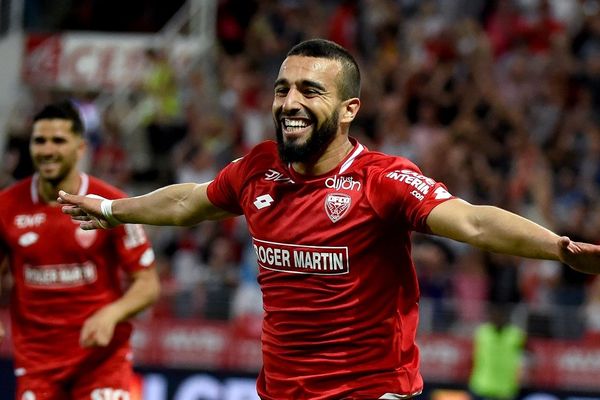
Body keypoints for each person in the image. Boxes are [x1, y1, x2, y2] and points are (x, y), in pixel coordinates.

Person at [58, 39, 600, 400]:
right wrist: (110, 208)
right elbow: (189, 201)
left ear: (348, 109)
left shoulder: (380, 179)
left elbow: (474, 223)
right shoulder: (257, 167)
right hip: (282, 390)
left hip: (370, 390)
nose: (290, 102)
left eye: (310, 91)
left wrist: (556, 247)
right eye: (282, 89)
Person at [0, 100, 160, 399]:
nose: (47, 150)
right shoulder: (6, 208)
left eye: (58, 141)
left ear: (80, 148)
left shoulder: (112, 205)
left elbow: (148, 283)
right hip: (37, 362)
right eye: (40, 141)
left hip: (100, 358)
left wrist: (112, 313)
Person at [468, 303, 526, 400]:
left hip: (505, 388)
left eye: (499, 316)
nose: (497, 319)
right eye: (494, 316)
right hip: (482, 385)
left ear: (505, 318)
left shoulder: (515, 335)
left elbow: (527, 353)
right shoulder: (482, 332)